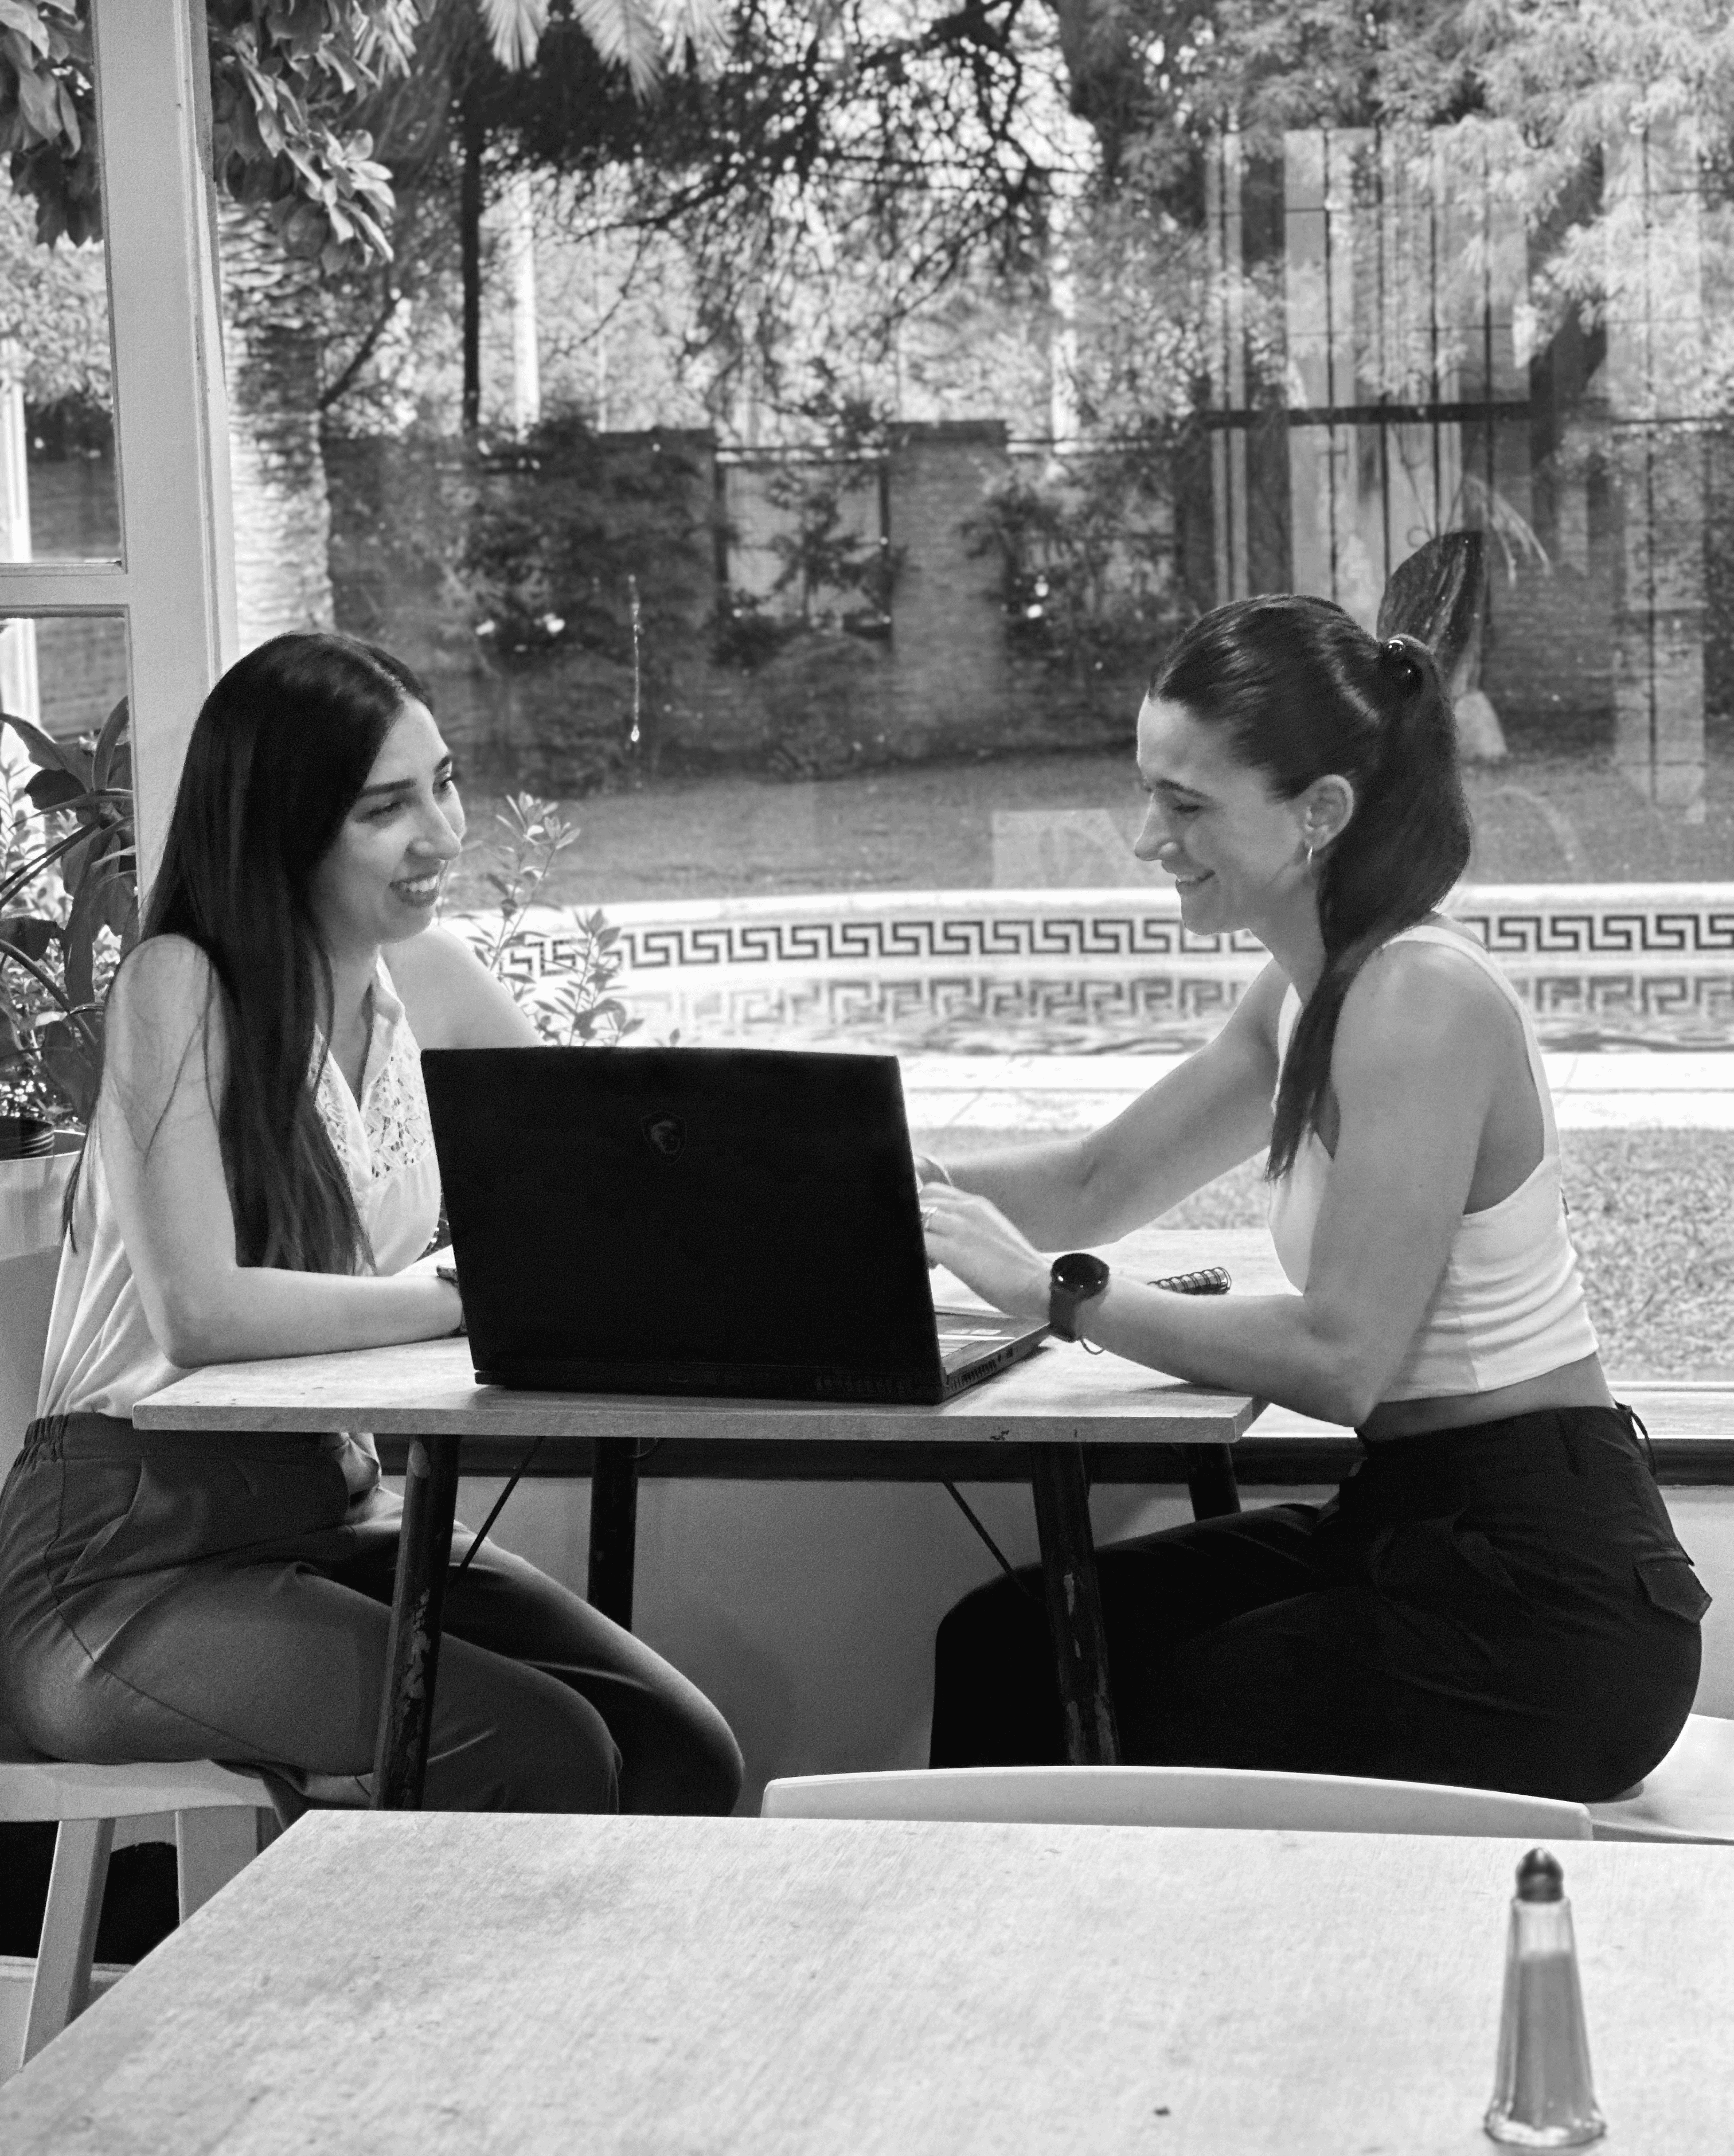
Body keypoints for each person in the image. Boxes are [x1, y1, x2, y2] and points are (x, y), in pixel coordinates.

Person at [919, 594, 1708, 1803]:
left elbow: (1343, 1359)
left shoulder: (1420, 999)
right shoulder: (1302, 992)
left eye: (1187, 805)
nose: (1148, 837)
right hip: (1408, 1524)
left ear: (1320, 812)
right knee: (1009, 1640)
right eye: (1148, 793)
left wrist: (1056, 1295)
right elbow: (1093, 1182)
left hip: (1550, 1601)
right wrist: (864, 1183)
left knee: (1142, 1713)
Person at [0, 634, 741, 1817]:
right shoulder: (178, 983)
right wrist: (456, 1298)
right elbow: (201, 1313)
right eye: (385, 809)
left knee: (679, 1750)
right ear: (284, 828)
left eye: (444, 783)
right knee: (538, 1748)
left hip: (331, 1509)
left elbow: (607, 1194)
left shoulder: (432, 980)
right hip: (121, 1558)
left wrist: (833, 1198)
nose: (442, 834)